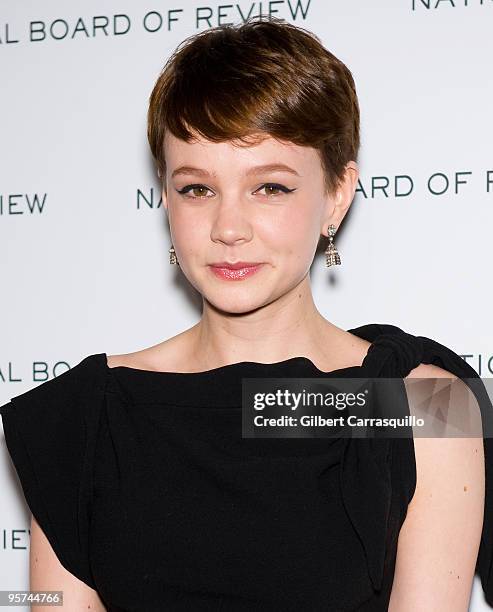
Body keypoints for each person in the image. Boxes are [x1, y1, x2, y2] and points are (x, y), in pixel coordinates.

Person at [1, 16, 492, 612]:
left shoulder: (424, 408)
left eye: (270, 188)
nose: (228, 229)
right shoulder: (82, 417)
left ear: (338, 192)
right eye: (197, 189)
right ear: (165, 195)